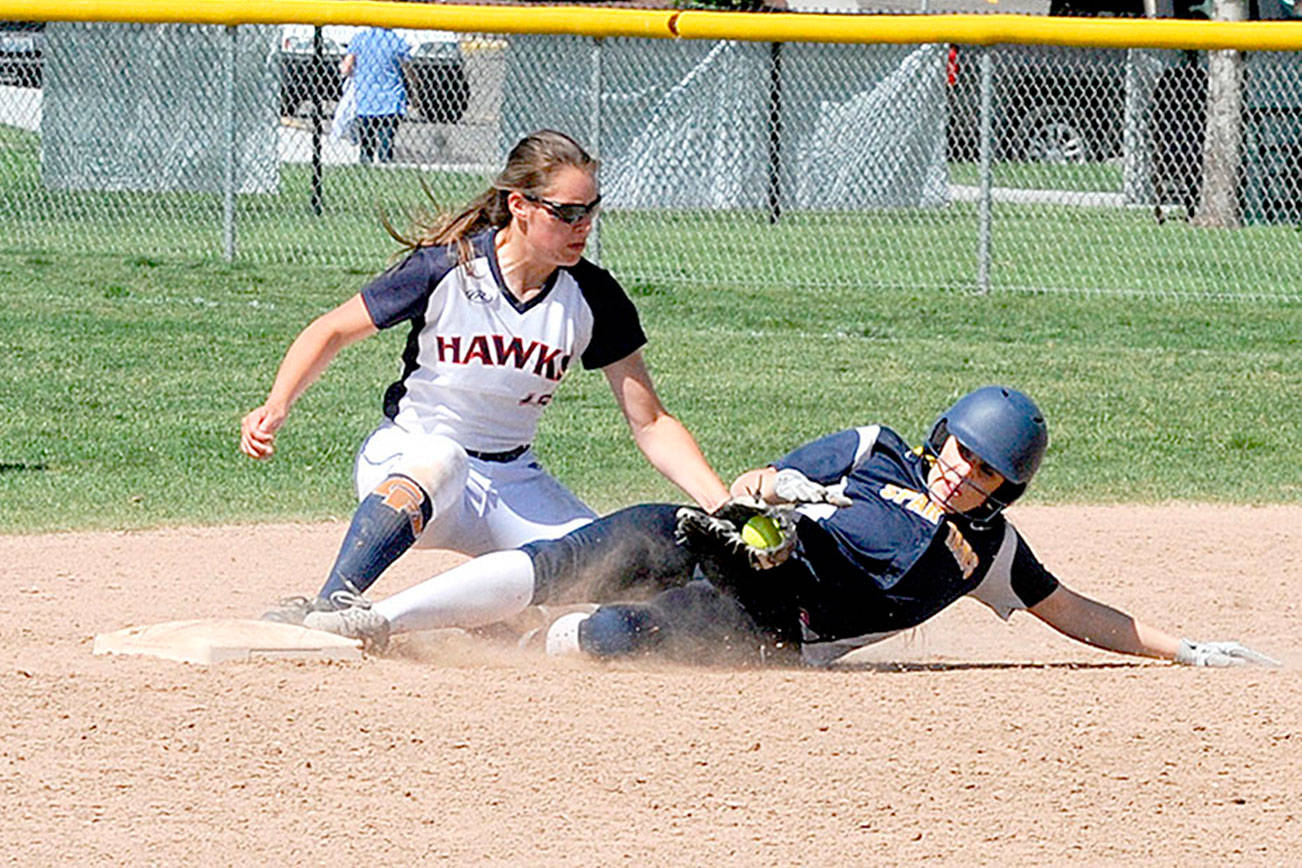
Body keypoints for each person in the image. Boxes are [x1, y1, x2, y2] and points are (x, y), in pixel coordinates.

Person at [303, 386, 1278, 670]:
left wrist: (1183, 649)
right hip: (745, 546)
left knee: (620, 635)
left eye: (984, 468)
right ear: (939, 436)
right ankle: (375, 617)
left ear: (1004, 489)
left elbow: (1079, 614)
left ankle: (495, 638)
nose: (960, 469)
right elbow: (767, 475)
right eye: (958, 449)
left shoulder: (988, 553)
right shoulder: (876, 448)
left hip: (780, 627)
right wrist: (767, 499)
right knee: (618, 540)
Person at [241, 130, 730, 623]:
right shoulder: (448, 267)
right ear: (520, 205)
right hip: (410, 458)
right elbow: (331, 330)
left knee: (596, 569)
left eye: (590, 209)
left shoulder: (593, 295)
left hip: (512, 478)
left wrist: (723, 503)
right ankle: (333, 601)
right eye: (567, 212)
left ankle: (480, 626)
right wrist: (277, 404)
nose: (582, 225)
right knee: (443, 458)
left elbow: (649, 422)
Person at [342, 27, 411, 164]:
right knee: (387, 138)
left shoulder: (360, 39)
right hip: (391, 99)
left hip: (365, 98)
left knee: (367, 140)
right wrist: (415, 87)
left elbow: (346, 68)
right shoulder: (396, 40)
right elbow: (407, 67)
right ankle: (385, 163)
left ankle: (366, 162)